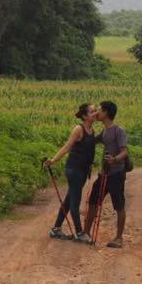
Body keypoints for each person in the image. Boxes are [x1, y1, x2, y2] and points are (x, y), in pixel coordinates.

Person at [44, 102, 97, 242]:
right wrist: (53, 160)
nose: (95, 113)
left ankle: (56, 229)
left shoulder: (92, 130)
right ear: (85, 116)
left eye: (95, 110)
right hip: (74, 169)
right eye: (92, 111)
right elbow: (67, 147)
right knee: (75, 201)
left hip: (83, 170)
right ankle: (79, 233)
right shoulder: (78, 129)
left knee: (69, 200)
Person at [84, 100, 128, 248]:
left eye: (99, 110)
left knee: (119, 205)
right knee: (92, 202)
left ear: (106, 113)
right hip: (104, 173)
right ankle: (86, 233)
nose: (97, 113)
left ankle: (119, 238)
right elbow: (90, 141)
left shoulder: (118, 130)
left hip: (116, 173)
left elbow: (124, 152)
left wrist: (114, 159)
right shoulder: (104, 131)